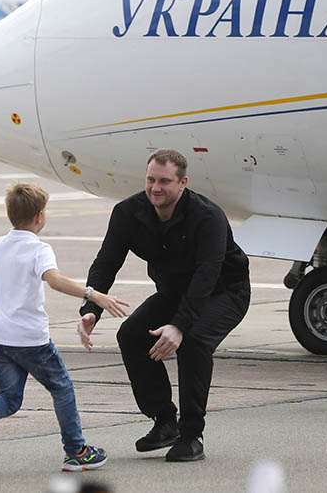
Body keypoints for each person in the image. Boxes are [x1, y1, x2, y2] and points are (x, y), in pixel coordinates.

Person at [78, 149, 250, 462]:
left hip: (225, 292)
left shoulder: (207, 216)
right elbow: (107, 261)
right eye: (150, 180)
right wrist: (91, 308)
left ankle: (191, 435)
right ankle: (164, 421)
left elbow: (207, 273)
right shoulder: (128, 213)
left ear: (183, 182)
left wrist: (180, 325)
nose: (156, 188)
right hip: (174, 292)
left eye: (165, 181)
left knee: (193, 342)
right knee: (131, 334)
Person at [0, 182, 129, 471]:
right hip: (30, 340)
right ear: (40, 216)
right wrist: (95, 295)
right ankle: (76, 450)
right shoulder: (39, 249)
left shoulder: (0, 244)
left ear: (10, 215)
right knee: (62, 387)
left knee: (9, 398)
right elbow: (54, 280)